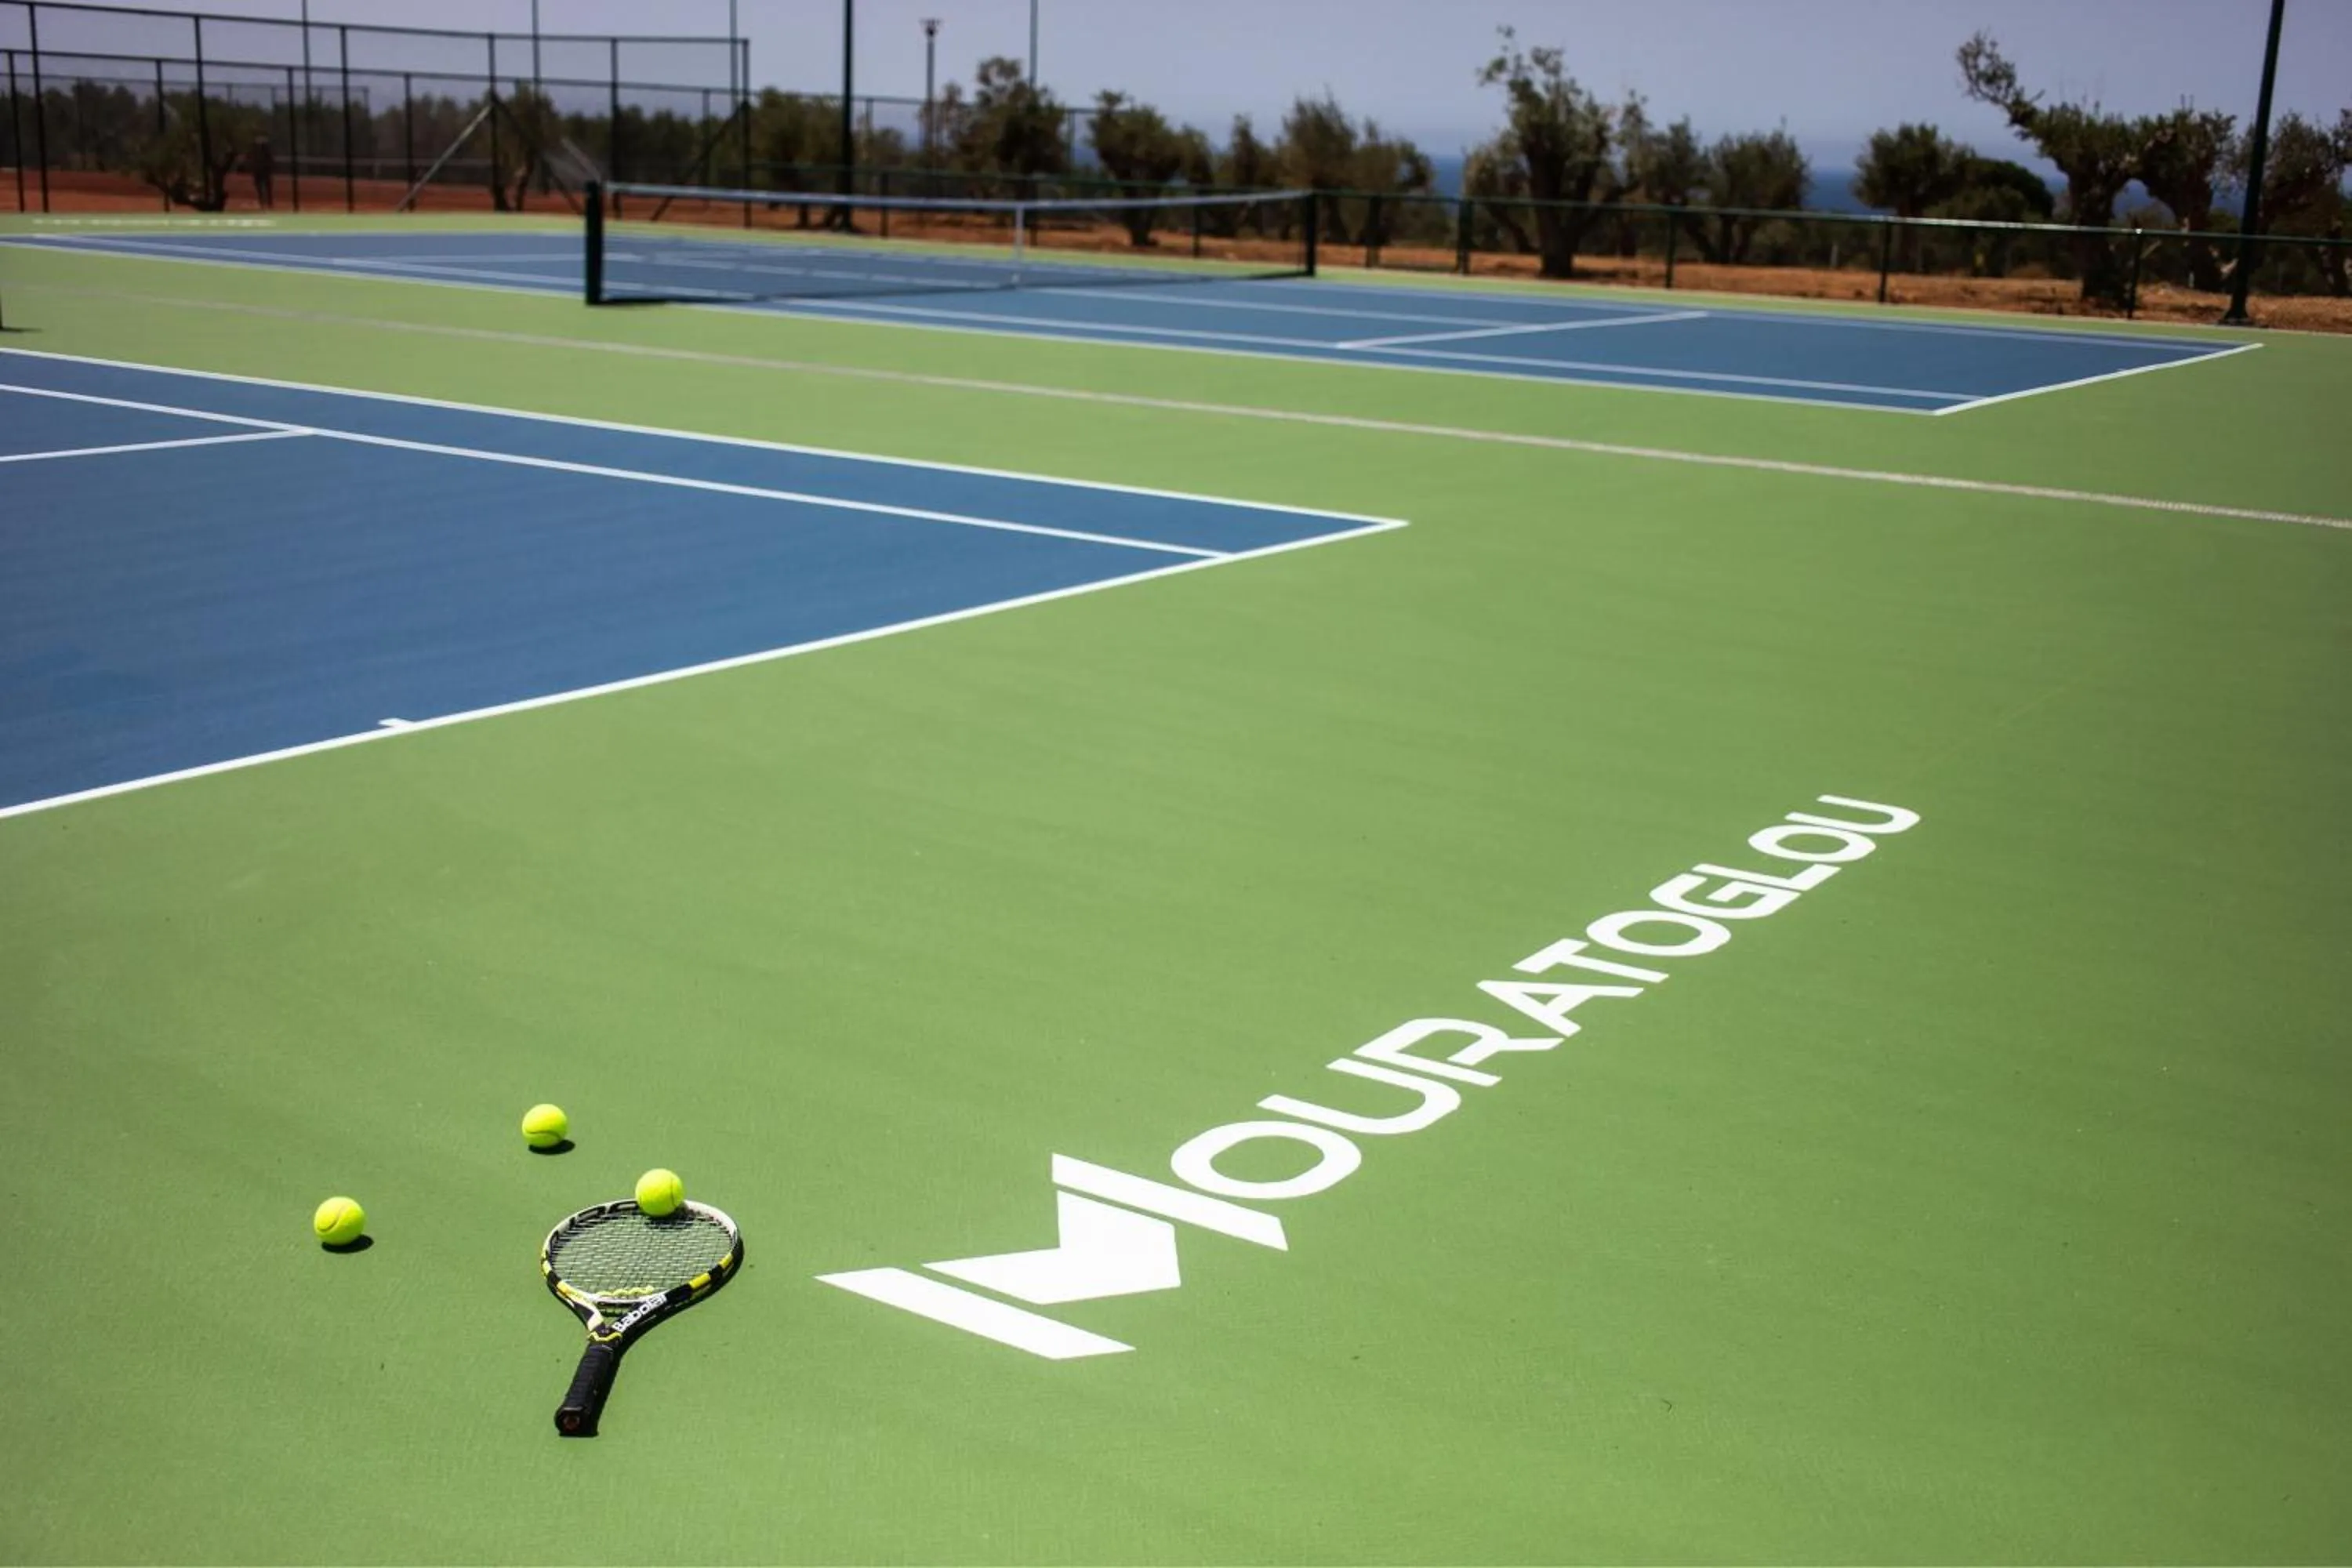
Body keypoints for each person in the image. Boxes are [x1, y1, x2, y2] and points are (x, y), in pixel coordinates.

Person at [248, 134, 275, 210]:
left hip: (262, 170)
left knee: (264, 186)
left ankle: (266, 202)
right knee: (263, 187)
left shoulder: (260, 152)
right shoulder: (257, 152)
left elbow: (270, 160)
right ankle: (265, 202)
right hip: (260, 170)